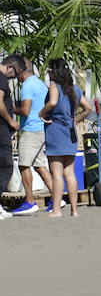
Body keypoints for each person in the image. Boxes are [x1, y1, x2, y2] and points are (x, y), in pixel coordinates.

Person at [39, 58, 93, 218]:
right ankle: (74, 210)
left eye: (49, 71)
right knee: (69, 172)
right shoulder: (74, 89)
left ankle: (56, 210)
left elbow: (53, 102)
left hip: (55, 130)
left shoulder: (54, 86)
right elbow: (88, 108)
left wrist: (41, 113)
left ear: (54, 72)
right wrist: (76, 119)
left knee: (56, 173)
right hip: (70, 131)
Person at [7, 55, 52, 215]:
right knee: (39, 165)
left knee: (24, 165)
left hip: (31, 130)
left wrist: (10, 108)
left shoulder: (27, 85)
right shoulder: (40, 83)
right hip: (40, 128)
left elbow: (25, 110)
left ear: (20, 70)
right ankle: (56, 198)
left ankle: (30, 201)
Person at [0, 57, 18, 219]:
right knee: (5, 165)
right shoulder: (1, 77)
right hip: (1, 128)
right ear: (10, 66)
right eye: (15, 73)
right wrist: (11, 120)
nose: (15, 77)